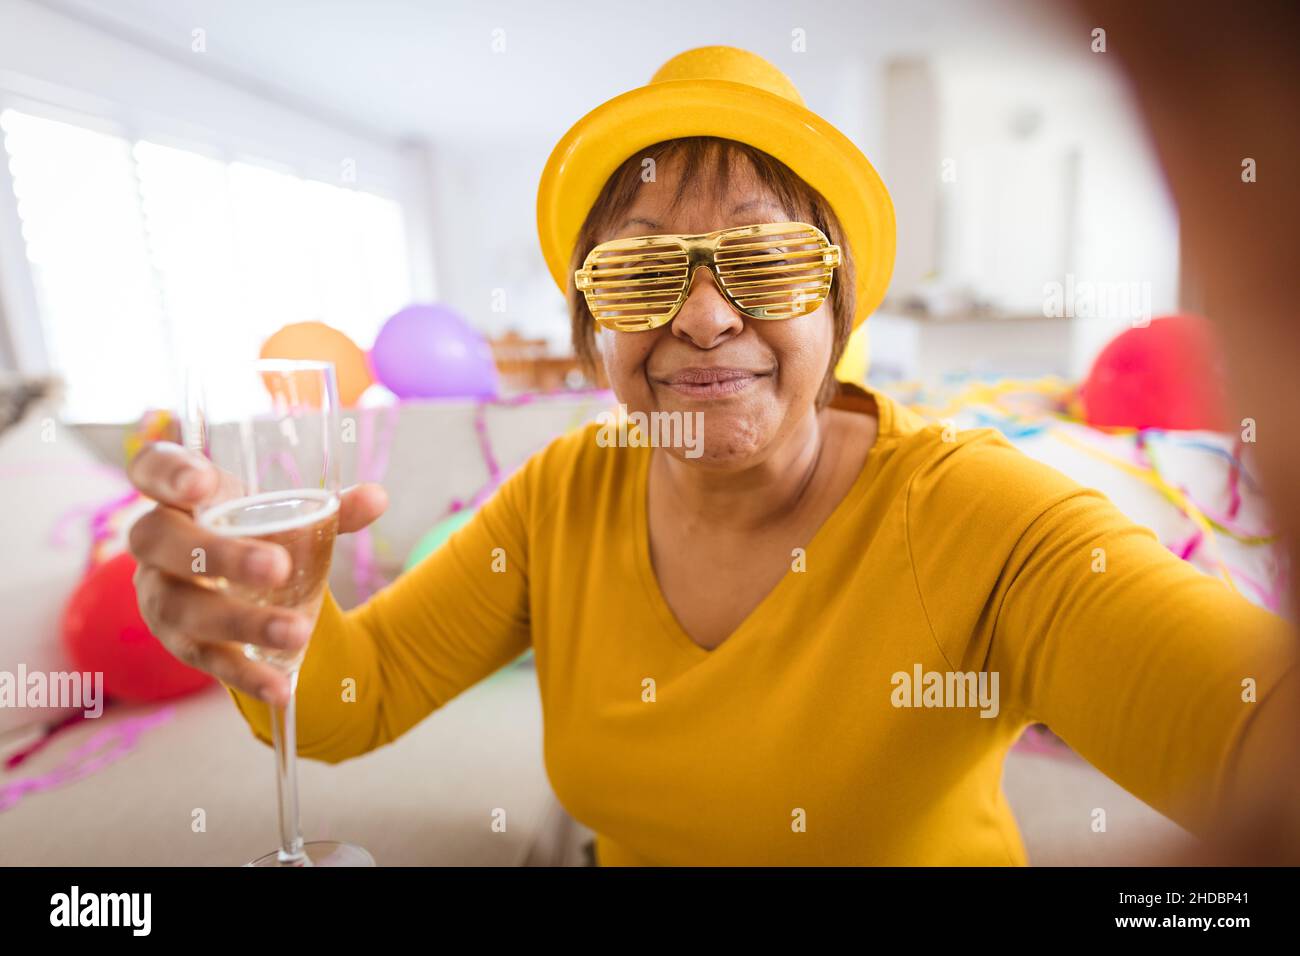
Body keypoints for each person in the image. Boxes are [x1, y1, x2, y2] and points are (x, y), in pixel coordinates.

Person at [127, 46, 1298, 865]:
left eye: (769, 264)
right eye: (641, 273)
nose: (701, 318)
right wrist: (265, 618)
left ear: (839, 309)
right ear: (595, 332)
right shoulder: (558, 499)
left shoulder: (978, 517)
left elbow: (1251, 724)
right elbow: (348, 702)